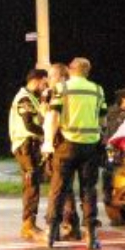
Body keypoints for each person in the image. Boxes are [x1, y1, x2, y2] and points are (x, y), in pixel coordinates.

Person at [45, 57, 107, 249]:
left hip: (67, 145)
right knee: (89, 190)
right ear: (87, 72)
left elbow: (53, 117)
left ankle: (52, 233)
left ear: (71, 70)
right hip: (90, 146)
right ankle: (91, 235)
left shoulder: (61, 88)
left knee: (59, 188)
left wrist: (48, 142)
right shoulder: (98, 90)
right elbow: (103, 121)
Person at [7, 68, 49, 240]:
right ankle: (28, 226)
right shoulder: (25, 98)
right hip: (26, 146)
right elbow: (29, 125)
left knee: (33, 185)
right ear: (37, 80)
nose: (45, 86)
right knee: (31, 185)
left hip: (28, 146)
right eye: (44, 82)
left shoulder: (31, 97)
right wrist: (47, 133)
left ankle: (30, 224)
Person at [41, 62, 81, 239]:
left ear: (61, 77)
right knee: (67, 188)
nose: (48, 80)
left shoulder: (57, 93)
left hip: (60, 145)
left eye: (51, 76)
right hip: (76, 143)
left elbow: (50, 120)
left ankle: (56, 227)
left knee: (58, 189)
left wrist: (47, 145)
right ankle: (73, 225)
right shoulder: (74, 93)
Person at [100, 87, 125, 216]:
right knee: (110, 169)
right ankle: (108, 195)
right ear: (123, 99)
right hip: (112, 148)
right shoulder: (112, 114)